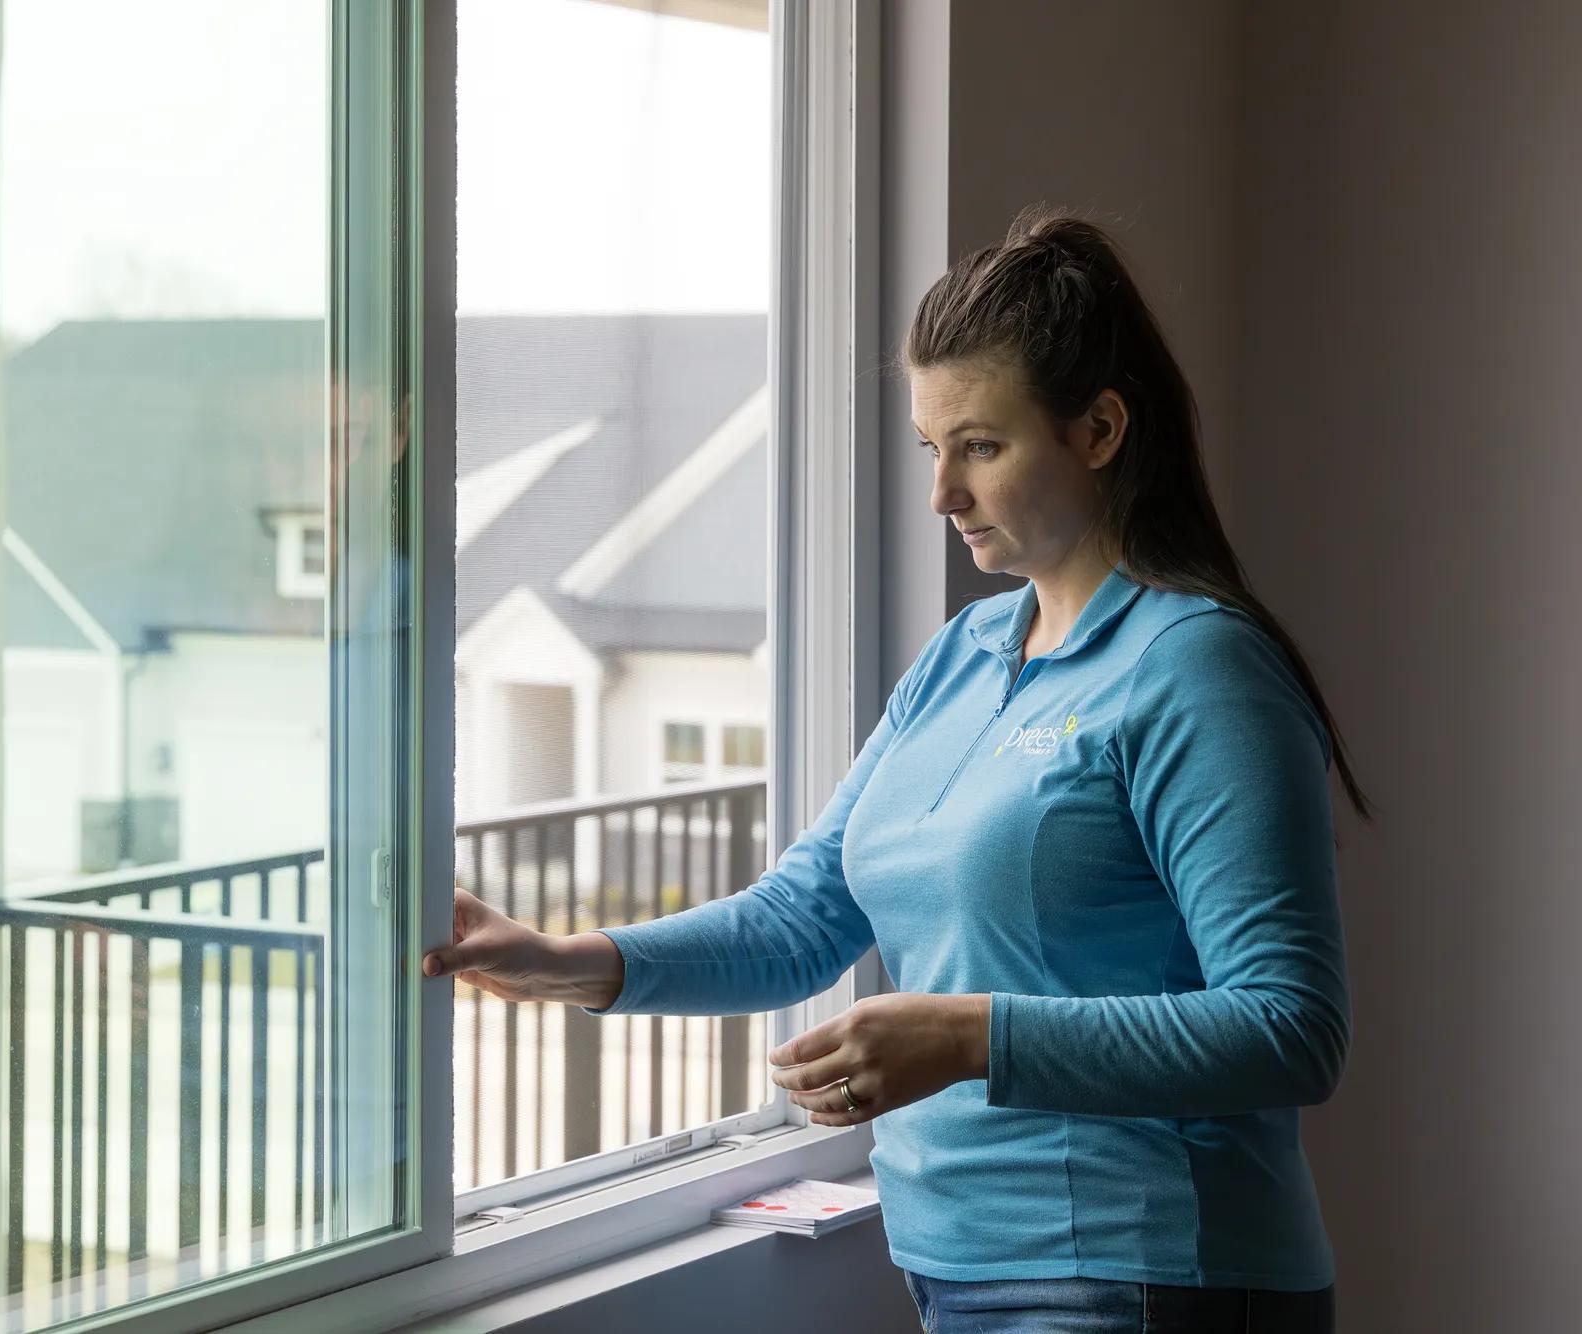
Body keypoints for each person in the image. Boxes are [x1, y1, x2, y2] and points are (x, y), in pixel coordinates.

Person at [422, 205, 1371, 1334]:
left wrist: (968, 1035)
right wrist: (564, 962)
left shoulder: (1196, 669)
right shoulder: (961, 656)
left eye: (979, 444)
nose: (941, 494)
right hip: (956, 1270)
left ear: (1099, 428)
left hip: (1151, 1275)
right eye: (932, 448)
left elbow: (1288, 1026)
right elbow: (800, 917)